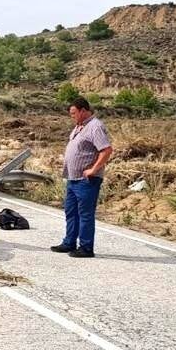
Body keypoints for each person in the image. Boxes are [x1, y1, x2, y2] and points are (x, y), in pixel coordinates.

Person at [51, 96, 113, 258]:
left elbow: (106, 150)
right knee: (71, 212)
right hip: (73, 178)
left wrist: (93, 169)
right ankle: (69, 242)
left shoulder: (95, 127)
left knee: (85, 213)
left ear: (84, 111)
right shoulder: (79, 127)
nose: (72, 116)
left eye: (74, 113)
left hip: (87, 180)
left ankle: (86, 247)